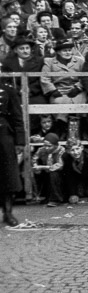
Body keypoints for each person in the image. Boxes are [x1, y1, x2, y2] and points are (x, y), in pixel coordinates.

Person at [0, 79, 24, 225]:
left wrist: (20, 141)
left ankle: (8, 213)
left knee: (8, 175)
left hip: (3, 135)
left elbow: (17, 116)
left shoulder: (7, 90)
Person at [33, 133, 65, 206]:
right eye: (45, 145)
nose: (46, 148)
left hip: (60, 173)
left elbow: (59, 165)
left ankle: (56, 199)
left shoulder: (61, 150)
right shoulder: (42, 149)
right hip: (47, 171)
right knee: (39, 174)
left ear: (55, 145)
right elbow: (34, 158)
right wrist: (36, 166)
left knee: (54, 174)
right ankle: (46, 196)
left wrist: (42, 167)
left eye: (49, 146)